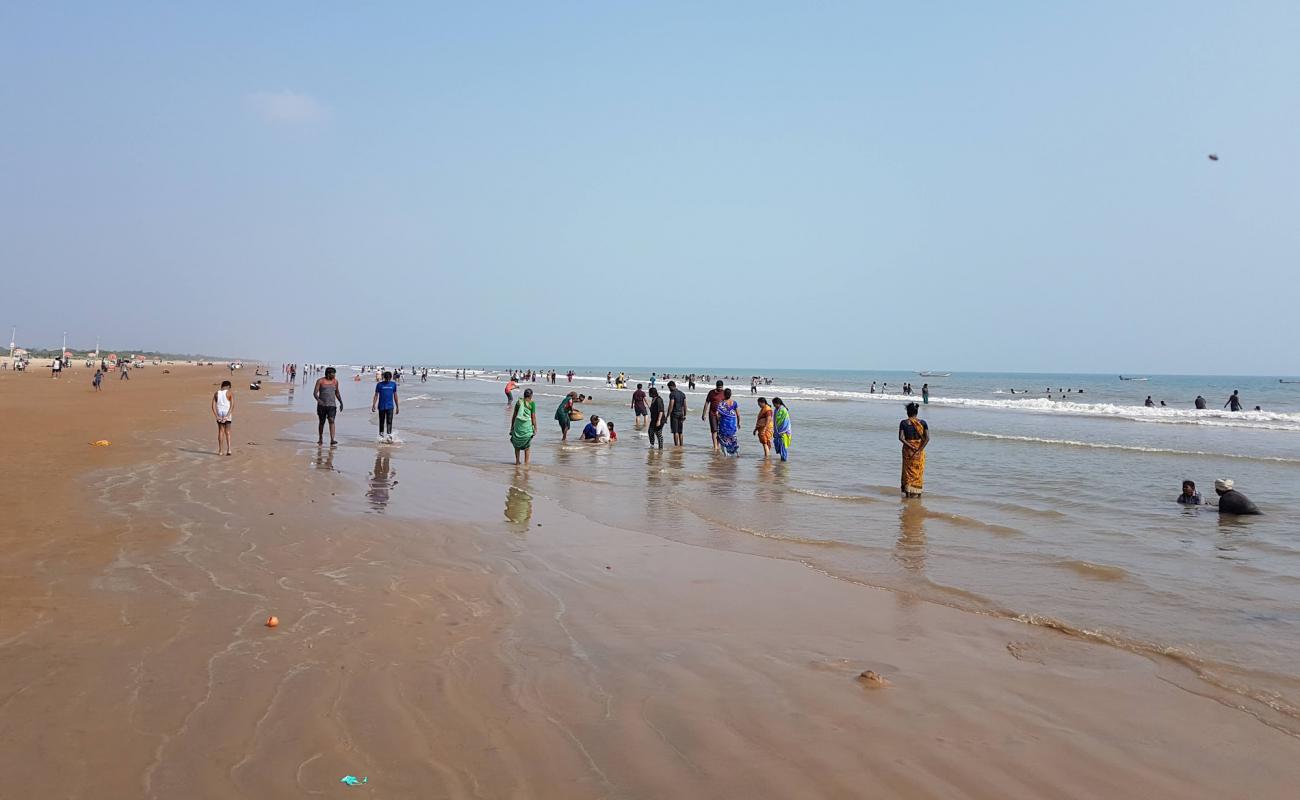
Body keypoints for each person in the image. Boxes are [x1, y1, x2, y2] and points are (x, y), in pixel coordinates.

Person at [899, 402, 930, 498]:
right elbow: (927, 438)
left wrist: (911, 447)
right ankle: (918, 494)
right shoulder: (923, 423)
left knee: (908, 472)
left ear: (908, 412)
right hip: (919, 451)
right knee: (918, 471)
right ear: (916, 412)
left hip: (908, 451)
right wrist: (919, 450)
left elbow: (901, 438)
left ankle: (908, 494)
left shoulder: (904, 423)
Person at [313, 366, 343, 446]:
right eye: (333, 373)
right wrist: (319, 401)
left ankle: (332, 439)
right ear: (328, 374)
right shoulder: (320, 381)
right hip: (322, 406)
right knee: (322, 422)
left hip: (332, 405)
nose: (334, 375)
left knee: (331, 421)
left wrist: (341, 402)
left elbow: (337, 393)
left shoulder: (335, 382)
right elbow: (315, 393)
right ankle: (320, 438)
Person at [510, 388, 537, 465]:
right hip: (527, 426)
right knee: (527, 446)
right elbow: (533, 417)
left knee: (516, 445)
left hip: (518, 426)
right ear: (531, 395)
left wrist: (512, 427)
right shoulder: (532, 403)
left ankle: (517, 461)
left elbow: (514, 416)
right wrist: (535, 428)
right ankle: (526, 463)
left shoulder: (519, 402)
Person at [372, 370, 399, 443]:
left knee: (389, 422)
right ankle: (381, 437)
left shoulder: (393, 384)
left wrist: (397, 406)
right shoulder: (379, 385)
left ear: (390, 378)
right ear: (384, 377)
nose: (387, 380)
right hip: (381, 406)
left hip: (390, 406)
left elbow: (395, 396)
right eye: (386, 378)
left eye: (388, 378)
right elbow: (376, 395)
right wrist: (373, 404)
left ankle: (389, 437)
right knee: (381, 422)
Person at [713, 388, 741, 456]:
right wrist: (738, 423)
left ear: (724, 394)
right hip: (732, 424)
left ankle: (725, 454)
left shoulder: (721, 403)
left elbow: (717, 414)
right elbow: (738, 414)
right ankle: (737, 453)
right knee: (732, 438)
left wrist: (719, 419)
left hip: (724, 424)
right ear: (730, 394)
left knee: (722, 438)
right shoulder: (734, 403)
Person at [212, 380, 234, 456]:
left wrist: (216, 416)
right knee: (227, 432)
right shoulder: (229, 393)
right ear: (228, 386)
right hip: (226, 412)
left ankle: (220, 451)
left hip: (219, 412)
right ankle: (229, 450)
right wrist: (228, 415)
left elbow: (213, 406)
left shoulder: (216, 393)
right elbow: (232, 406)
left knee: (221, 431)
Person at [702, 380, 725, 451]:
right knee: (714, 430)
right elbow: (707, 403)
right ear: (716, 386)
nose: (720, 389)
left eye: (721, 387)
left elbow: (727, 403)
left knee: (720, 431)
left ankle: (718, 445)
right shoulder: (711, 393)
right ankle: (715, 446)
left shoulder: (724, 393)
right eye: (719, 387)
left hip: (721, 415)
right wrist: (704, 414)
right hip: (712, 414)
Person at [665, 380, 687, 446]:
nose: (669, 390)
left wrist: (667, 416)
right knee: (680, 431)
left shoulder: (672, 394)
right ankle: (681, 445)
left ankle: (676, 446)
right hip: (681, 414)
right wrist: (685, 415)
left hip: (674, 414)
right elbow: (685, 405)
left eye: (669, 388)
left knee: (675, 431)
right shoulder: (682, 394)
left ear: (671, 386)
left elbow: (671, 405)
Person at [772, 397, 791, 462]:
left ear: (778, 403)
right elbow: (774, 421)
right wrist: (775, 431)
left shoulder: (783, 410)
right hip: (777, 431)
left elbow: (786, 422)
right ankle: (781, 460)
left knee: (783, 446)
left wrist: (783, 432)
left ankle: (784, 460)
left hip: (784, 432)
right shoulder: (775, 410)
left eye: (774, 404)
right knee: (777, 445)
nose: (774, 405)